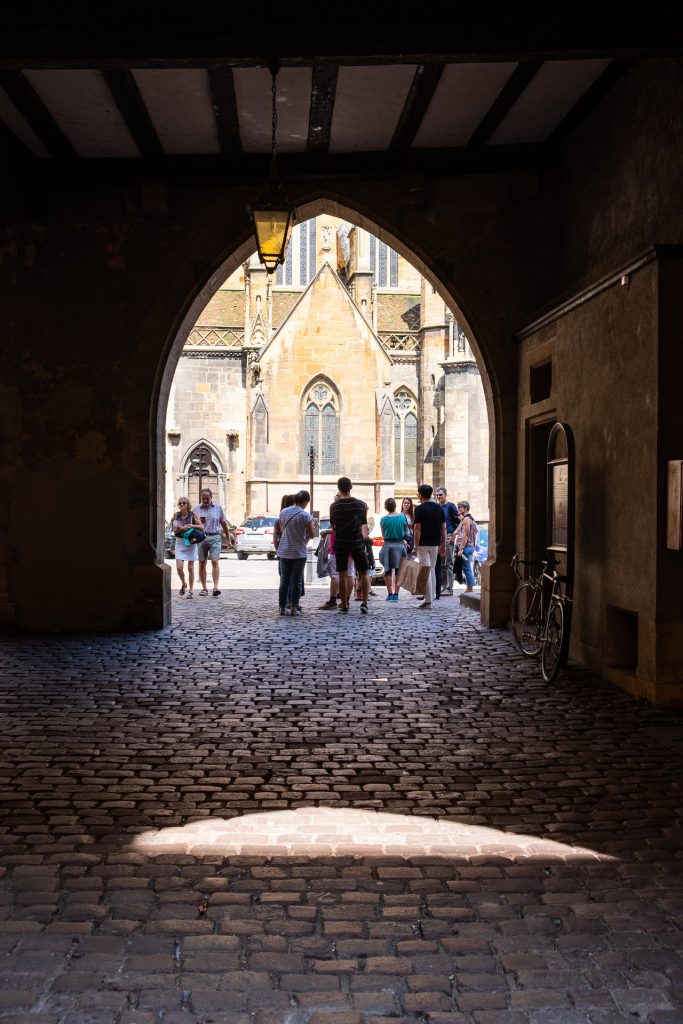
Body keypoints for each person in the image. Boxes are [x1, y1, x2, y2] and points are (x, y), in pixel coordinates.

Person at [329, 476, 371, 614]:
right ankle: (364, 602)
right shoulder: (361, 505)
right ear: (350, 487)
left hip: (341, 543)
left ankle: (345, 604)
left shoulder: (334, 506)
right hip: (357, 543)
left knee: (342, 574)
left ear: (338, 488)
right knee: (363, 572)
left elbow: (334, 527)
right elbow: (363, 525)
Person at [276, 490, 317, 616]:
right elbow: (311, 534)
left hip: (284, 550)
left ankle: (282, 608)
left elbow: (282, 529)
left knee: (284, 581)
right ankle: (294, 608)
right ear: (305, 502)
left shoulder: (283, 512)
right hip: (299, 552)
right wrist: (310, 529)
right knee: (297, 581)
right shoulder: (305, 516)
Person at [193, 488, 234, 597]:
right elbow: (191, 525)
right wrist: (199, 523)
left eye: (207, 498)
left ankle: (215, 587)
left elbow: (224, 523)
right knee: (202, 563)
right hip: (201, 537)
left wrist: (228, 539)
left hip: (215, 536)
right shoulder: (196, 509)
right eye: (203, 498)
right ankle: (204, 588)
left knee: (215, 561)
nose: (205, 500)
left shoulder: (218, 508)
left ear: (211, 497)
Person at [412, 483, 446, 610]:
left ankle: (428, 601)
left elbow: (417, 528)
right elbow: (443, 527)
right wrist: (443, 543)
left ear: (420, 494)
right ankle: (429, 599)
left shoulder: (419, 509)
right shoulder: (439, 508)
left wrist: (415, 545)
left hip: (423, 544)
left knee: (426, 570)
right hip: (435, 543)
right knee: (431, 570)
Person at [171, 497, 203, 598]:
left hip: (190, 542)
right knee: (179, 567)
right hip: (180, 542)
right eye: (180, 503)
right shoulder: (176, 515)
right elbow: (175, 530)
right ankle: (184, 583)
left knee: (190, 567)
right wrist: (182, 528)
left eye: (184, 503)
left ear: (187, 504)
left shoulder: (192, 514)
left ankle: (191, 590)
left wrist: (192, 526)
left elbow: (201, 527)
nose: (182, 505)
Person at [379, 497, 407, 602]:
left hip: (388, 545)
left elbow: (383, 534)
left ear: (386, 507)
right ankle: (396, 594)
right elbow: (405, 531)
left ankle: (390, 594)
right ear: (395, 506)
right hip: (400, 545)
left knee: (388, 570)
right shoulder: (402, 517)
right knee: (399, 571)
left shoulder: (383, 519)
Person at [435, 487, 460, 595]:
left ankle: (449, 588)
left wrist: (454, 534)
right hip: (439, 537)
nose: (439, 497)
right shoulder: (437, 507)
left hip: (449, 535)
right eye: (437, 495)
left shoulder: (451, 506)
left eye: (440, 495)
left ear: (445, 494)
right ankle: (444, 586)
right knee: (441, 564)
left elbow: (460, 522)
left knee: (449, 562)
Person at [455, 500, 478, 593]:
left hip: (467, 547)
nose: (458, 509)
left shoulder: (466, 519)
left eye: (460, 507)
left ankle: (470, 588)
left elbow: (466, 535)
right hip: (469, 547)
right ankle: (469, 588)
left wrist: (461, 548)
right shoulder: (470, 519)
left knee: (467, 568)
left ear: (465, 509)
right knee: (466, 567)